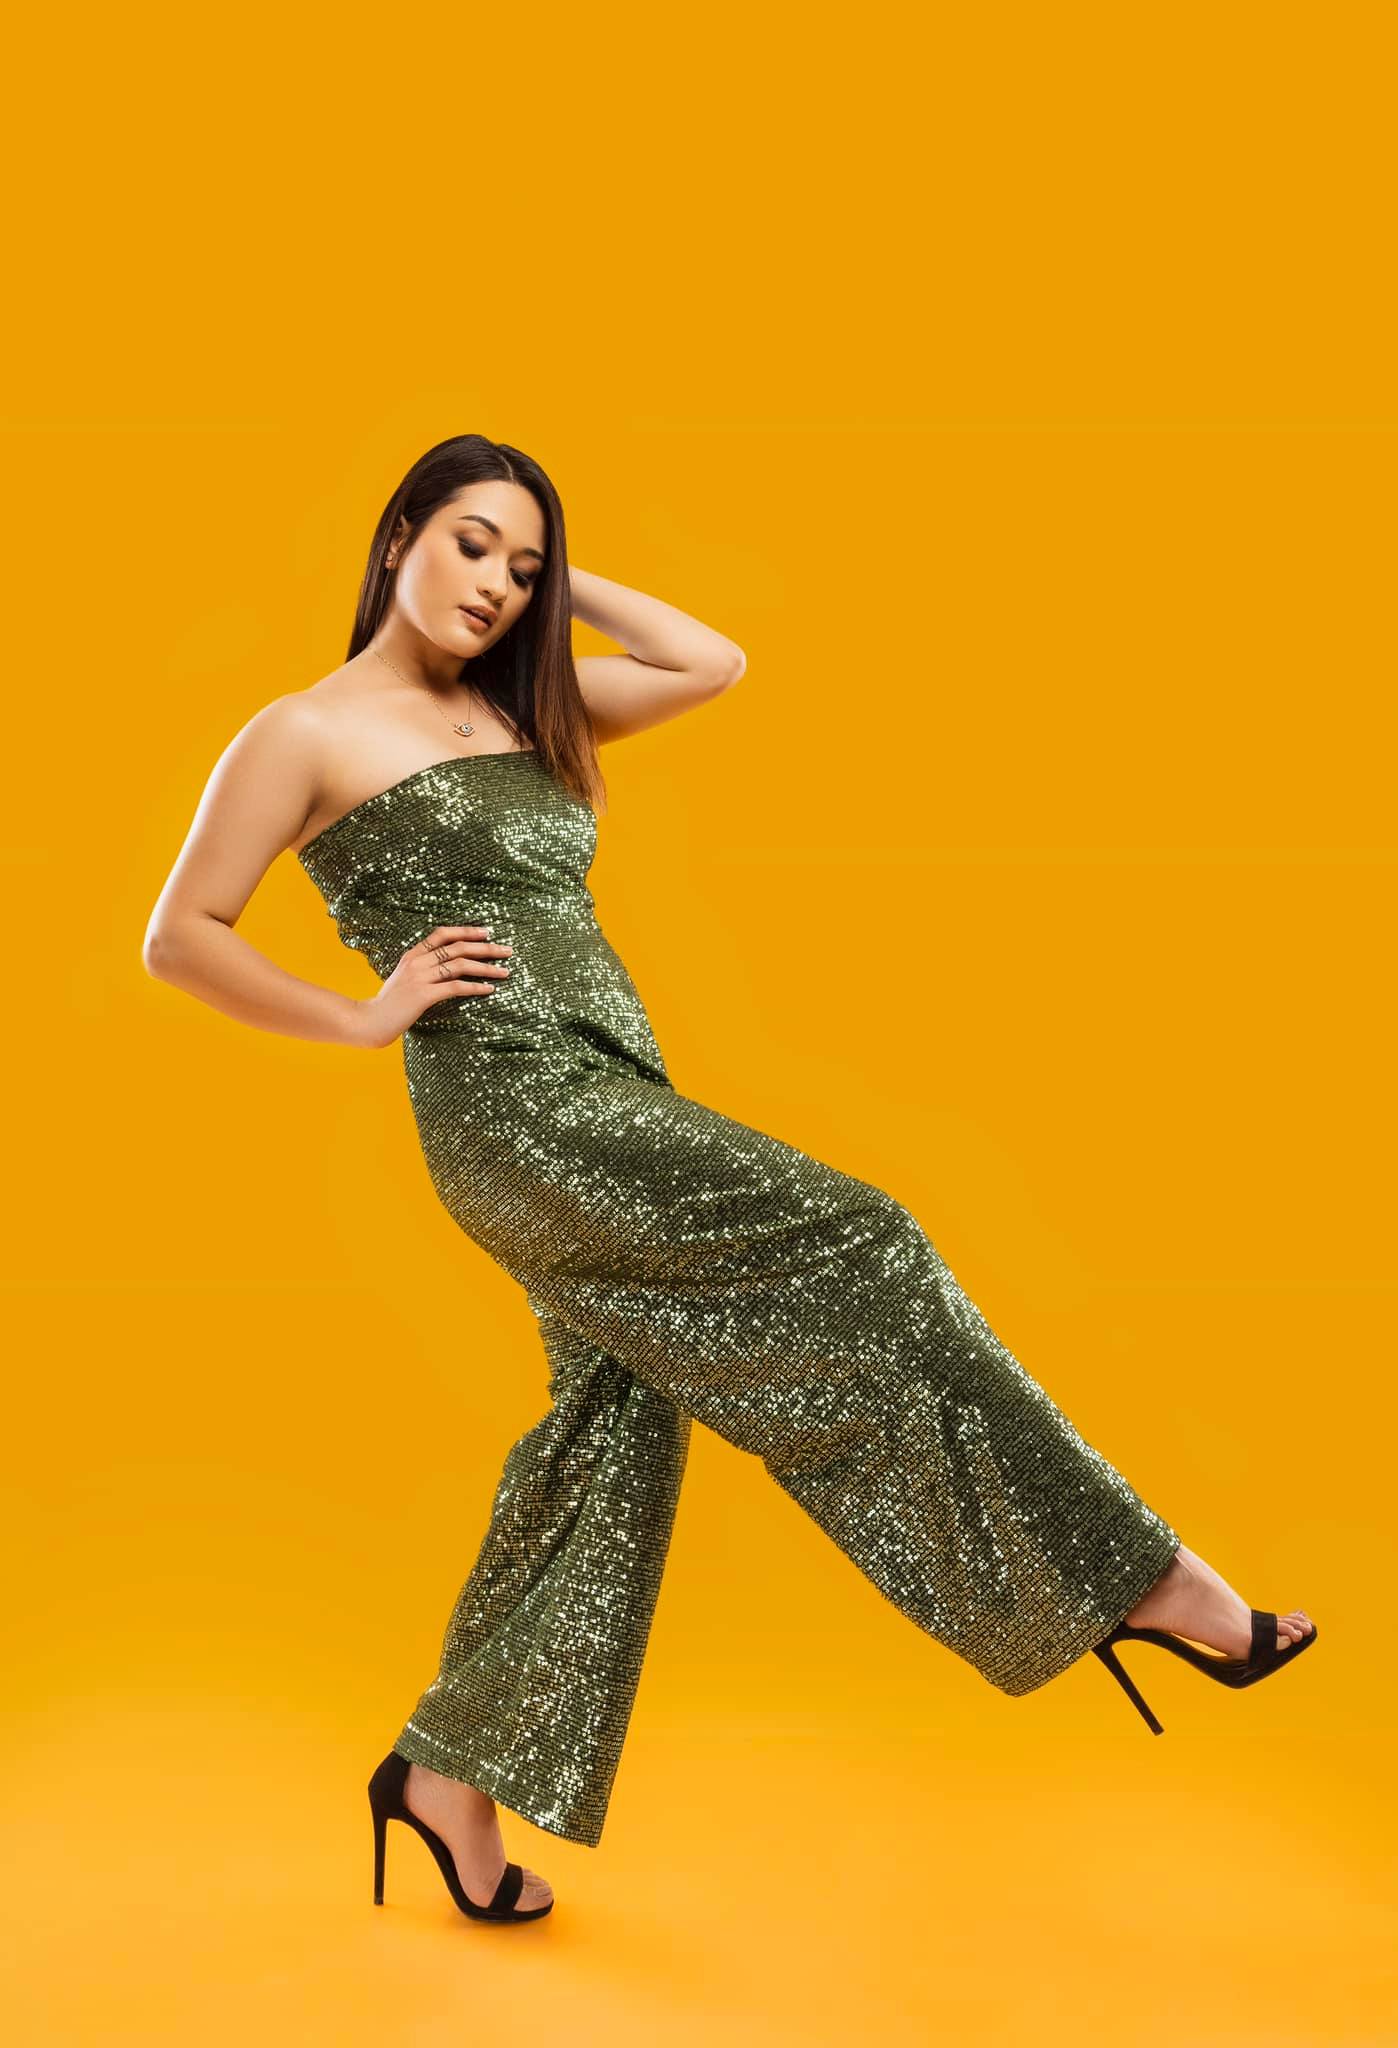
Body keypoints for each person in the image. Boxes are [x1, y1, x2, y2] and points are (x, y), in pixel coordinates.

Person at [142, 432, 1317, 1928]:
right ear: (397, 538)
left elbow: (707, 661)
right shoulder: (302, 732)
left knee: (613, 1429)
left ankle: (445, 1776)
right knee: (867, 1238)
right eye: (471, 544)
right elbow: (181, 934)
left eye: (524, 566)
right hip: (520, 1117)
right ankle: (1137, 1579)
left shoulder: (526, 709)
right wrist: (365, 1016)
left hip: (616, 1088)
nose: (496, 585)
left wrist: (563, 587)